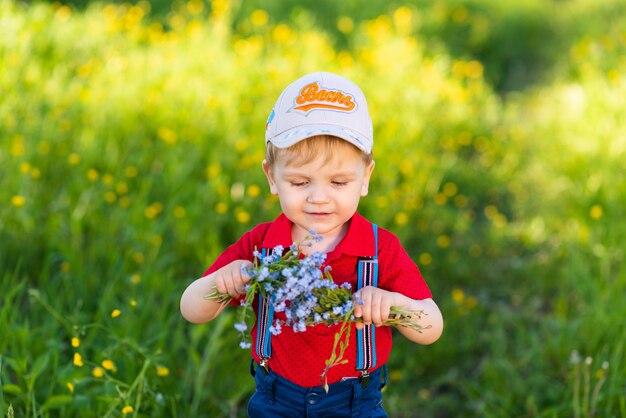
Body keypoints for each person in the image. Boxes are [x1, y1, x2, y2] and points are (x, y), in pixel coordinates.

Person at [180, 71, 443, 417]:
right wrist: (220, 282)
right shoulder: (263, 246)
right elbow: (191, 309)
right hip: (276, 398)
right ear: (273, 178)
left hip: (354, 401)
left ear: (365, 179)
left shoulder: (379, 249)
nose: (319, 198)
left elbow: (432, 327)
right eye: (301, 182)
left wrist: (392, 304)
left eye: (338, 181)